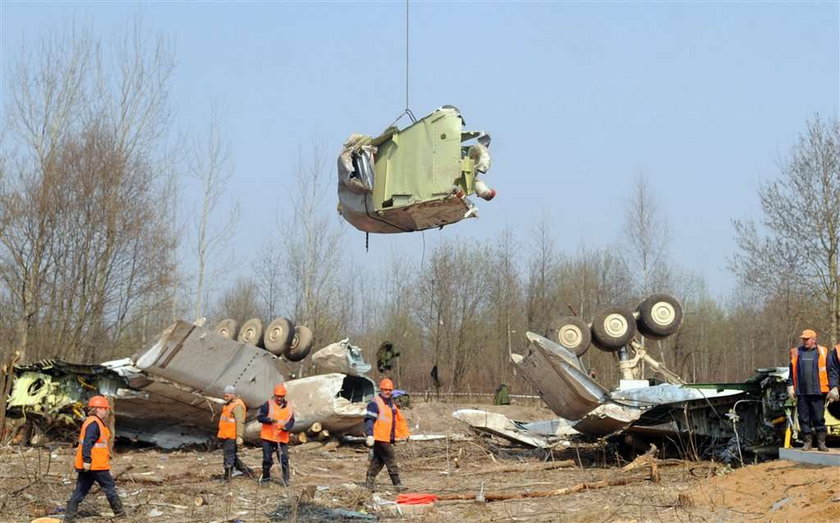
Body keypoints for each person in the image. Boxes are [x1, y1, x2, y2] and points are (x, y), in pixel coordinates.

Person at [65, 396, 124, 522]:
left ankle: (68, 518)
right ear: (97, 409)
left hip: (90, 465)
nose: (106, 411)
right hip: (96, 465)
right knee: (110, 487)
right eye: (104, 408)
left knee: (80, 491)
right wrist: (87, 460)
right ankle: (121, 515)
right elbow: (87, 443)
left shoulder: (93, 422)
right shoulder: (94, 424)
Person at [787, 329, 831, 451]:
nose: (805, 341)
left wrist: (833, 387)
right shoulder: (796, 352)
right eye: (803, 339)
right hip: (802, 392)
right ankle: (807, 442)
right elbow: (792, 372)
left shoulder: (823, 352)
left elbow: (830, 370)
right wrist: (790, 386)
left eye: (807, 339)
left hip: (818, 392)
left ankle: (821, 442)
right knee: (803, 418)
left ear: (814, 339)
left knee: (819, 418)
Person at [364, 378, 409, 491]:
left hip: (386, 438)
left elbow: (397, 421)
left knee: (378, 461)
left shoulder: (391, 404)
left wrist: (403, 434)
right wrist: (369, 434)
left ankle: (369, 482)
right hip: (379, 437)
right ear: (381, 389)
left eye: (389, 390)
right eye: (385, 389)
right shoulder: (375, 403)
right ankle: (397, 484)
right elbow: (369, 420)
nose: (388, 392)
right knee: (390, 459)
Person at [257, 383, 295, 485]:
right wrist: (269, 420)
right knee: (267, 459)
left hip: (281, 437)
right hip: (268, 437)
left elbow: (291, 420)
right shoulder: (268, 404)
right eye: (278, 396)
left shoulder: (289, 407)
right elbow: (260, 418)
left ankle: (286, 479)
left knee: (284, 459)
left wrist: (286, 427)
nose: (279, 398)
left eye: (281, 397)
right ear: (275, 395)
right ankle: (266, 478)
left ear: (284, 396)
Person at [217, 385, 252, 480]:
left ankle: (227, 478)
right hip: (225, 435)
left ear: (232, 394)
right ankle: (247, 471)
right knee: (231, 456)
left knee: (229, 456)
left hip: (231, 436)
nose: (225, 397)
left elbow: (240, 422)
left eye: (227, 395)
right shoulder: (229, 404)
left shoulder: (237, 406)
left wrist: (239, 436)